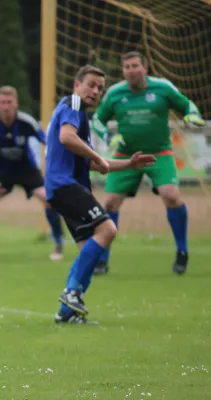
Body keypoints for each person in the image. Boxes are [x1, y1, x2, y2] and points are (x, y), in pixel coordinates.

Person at [45, 65, 156, 324]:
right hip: (64, 185)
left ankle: (67, 314)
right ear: (77, 85)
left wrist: (129, 163)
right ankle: (71, 292)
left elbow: (95, 164)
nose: (95, 91)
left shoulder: (79, 117)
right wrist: (96, 156)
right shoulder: (72, 104)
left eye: (100, 88)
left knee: (90, 250)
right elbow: (66, 138)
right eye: (91, 85)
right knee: (108, 230)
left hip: (65, 188)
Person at [91, 51, 205, 276]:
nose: (131, 71)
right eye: (126, 67)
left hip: (159, 153)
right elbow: (97, 119)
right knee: (110, 202)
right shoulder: (115, 93)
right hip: (125, 156)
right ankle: (102, 259)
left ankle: (182, 251)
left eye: (135, 66)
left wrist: (192, 115)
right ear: (122, 71)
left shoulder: (163, 88)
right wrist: (108, 137)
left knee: (171, 195)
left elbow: (187, 105)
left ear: (145, 68)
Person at [0, 86, 63, 261]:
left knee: (48, 199)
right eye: (3, 103)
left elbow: (48, 144)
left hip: (27, 169)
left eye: (9, 102)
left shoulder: (27, 122)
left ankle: (58, 244)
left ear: (16, 104)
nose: (6, 106)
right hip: (3, 171)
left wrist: (57, 167)